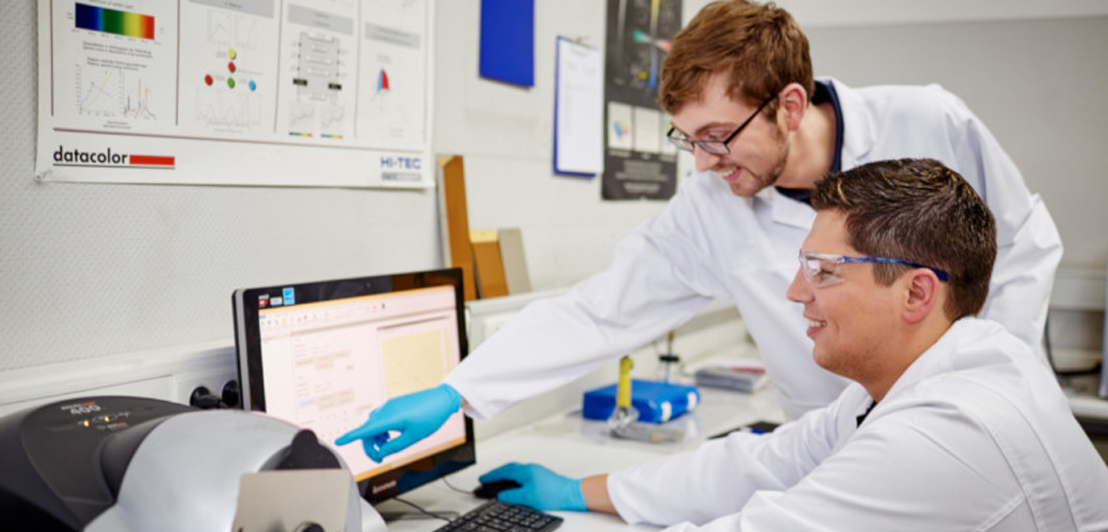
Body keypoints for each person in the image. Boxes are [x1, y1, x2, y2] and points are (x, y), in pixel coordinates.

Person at [392, 158, 1108, 532]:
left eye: (823, 271)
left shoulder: (960, 432)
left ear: (918, 292)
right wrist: (586, 490)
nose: (796, 294)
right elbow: (766, 465)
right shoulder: (923, 382)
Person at [338, 1, 1061, 472]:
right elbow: (600, 310)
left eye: (718, 137)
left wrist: (983, 385)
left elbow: (1027, 245)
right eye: (688, 141)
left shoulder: (928, 121)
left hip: (979, 429)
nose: (707, 163)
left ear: (788, 103)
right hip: (832, 447)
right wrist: (457, 391)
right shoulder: (711, 204)